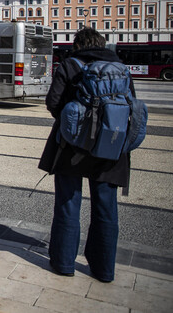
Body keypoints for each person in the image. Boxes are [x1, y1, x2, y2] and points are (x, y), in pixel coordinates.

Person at [38, 28, 132, 283]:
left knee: (68, 204)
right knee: (106, 208)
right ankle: (104, 269)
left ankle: (64, 263)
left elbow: (53, 102)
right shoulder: (120, 67)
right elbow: (129, 105)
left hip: (72, 149)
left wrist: (75, 126)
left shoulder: (70, 65)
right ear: (102, 44)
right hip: (110, 148)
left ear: (77, 45)